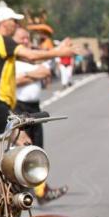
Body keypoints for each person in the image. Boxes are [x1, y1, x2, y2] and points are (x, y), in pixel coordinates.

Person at [0, 10, 80, 175]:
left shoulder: (0, 44)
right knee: (23, 142)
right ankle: (27, 184)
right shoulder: (1, 40)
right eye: (13, 21)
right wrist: (61, 52)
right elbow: (31, 55)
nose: (16, 24)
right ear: (3, 22)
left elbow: (31, 58)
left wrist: (58, 49)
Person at [12, 27, 68, 204]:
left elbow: (45, 72)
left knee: (37, 150)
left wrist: (26, 75)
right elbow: (12, 81)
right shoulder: (11, 59)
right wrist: (32, 74)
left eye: (27, 39)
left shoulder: (33, 56)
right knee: (21, 151)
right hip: (18, 107)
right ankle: (17, 192)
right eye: (22, 38)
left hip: (34, 107)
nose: (26, 42)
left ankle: (41, 190)